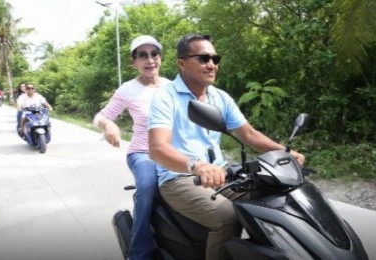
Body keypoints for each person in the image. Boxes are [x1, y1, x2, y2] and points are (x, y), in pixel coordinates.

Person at [148, 33, 305, 260]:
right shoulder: (165, 97)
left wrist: (285, 152)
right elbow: (157, 148)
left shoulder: (219, 97)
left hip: (222, 174)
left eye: (215, 58)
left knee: (277, 198)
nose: (211, 64)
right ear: (181, 63)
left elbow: (249, 134)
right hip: (179, 177)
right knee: (227, 217)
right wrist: (197, 165)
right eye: (203, 58)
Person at [93, 35, 170, 260]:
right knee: (147, 186)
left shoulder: (171, 86)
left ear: (160, 58)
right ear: (133, 61)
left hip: (173, 152)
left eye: (154, 54)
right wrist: (109, 125)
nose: (150, 60)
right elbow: (101, 115)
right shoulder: (128, 89)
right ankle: (139, 252)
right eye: (142, 55)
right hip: (143, 153)